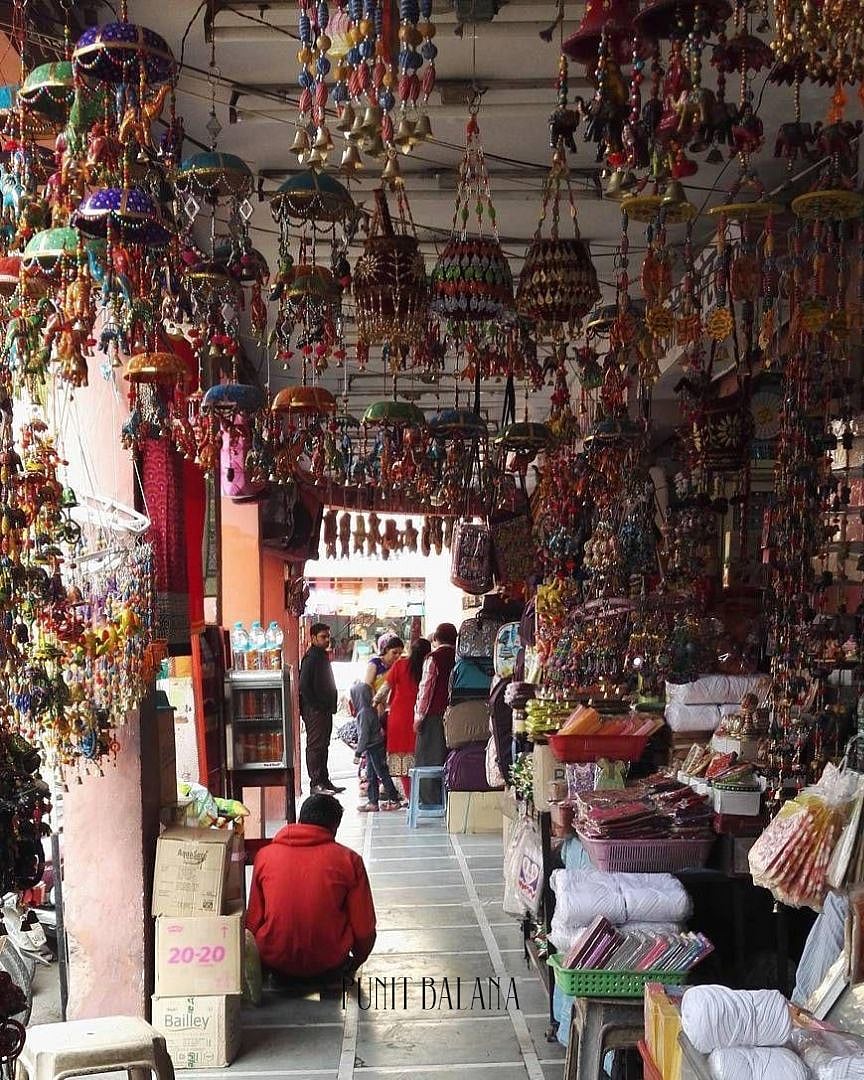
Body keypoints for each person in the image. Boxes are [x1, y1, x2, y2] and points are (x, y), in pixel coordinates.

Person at [246, 794, 376, 985]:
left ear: (300, 820)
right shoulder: (349, 860)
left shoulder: (265, 856)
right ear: (334, 828)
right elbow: (364, 928)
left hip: (276, 966)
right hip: (330, 968)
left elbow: (253, 922)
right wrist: (356, 962)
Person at [377, 637, 431, 798]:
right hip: (421, 717)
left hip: (399, 717)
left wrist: (373, 703)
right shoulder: (428, 667)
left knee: (402, 760)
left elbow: (384, 690)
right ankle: (422, 796)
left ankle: (410, 797)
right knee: (421, 757)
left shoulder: (400, 665)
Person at [413, 622, 458, 803]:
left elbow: (426, 689)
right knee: (449, 756)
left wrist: (418, 716)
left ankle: (431, 799)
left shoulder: (433, 658)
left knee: (429, 758)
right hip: (457, 715)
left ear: (436, 639)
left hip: (434, 716)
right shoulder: (460, 657)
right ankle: (450, 798)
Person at [298, 622, 345, 795]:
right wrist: (315, 706)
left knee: (324, 745)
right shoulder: (311, 658)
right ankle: (316, 783)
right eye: (323, 637)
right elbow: (304, 685)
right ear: (313, 638)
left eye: (328, 637)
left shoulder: (321, 656)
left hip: (324, 709)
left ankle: (324, 781)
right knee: (315, 746)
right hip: (315, 711)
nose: (327, 640)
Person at [351, 682, 405, 812]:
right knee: (371, 775)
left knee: (382, 773)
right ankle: (372, 801)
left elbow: (364, 734)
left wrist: (358, 752)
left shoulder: (363, 713)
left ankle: (394, 799)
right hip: (373, 747)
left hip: (374, 747)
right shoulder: (370, 709)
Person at [364, 633, 404, 699]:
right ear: (387, 650)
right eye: (394, 652)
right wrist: (377, 701)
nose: (397, 656)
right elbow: (368, 684)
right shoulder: (375, 663)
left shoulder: (399, 665)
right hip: (374, 700)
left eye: (400, 653)